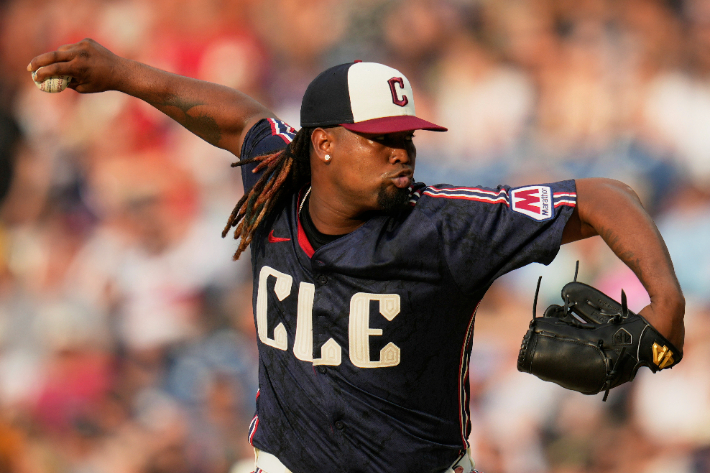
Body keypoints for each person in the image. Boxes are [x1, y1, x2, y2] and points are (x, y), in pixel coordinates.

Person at [28, 39, 685, 473]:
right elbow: (232, 116)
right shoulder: (278, 176)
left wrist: (667, 302)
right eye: (380, 138)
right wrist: (121, 74)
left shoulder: (444, 226)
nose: (402, 151)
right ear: (323, 145)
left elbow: (606, 196)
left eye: (407, 137)